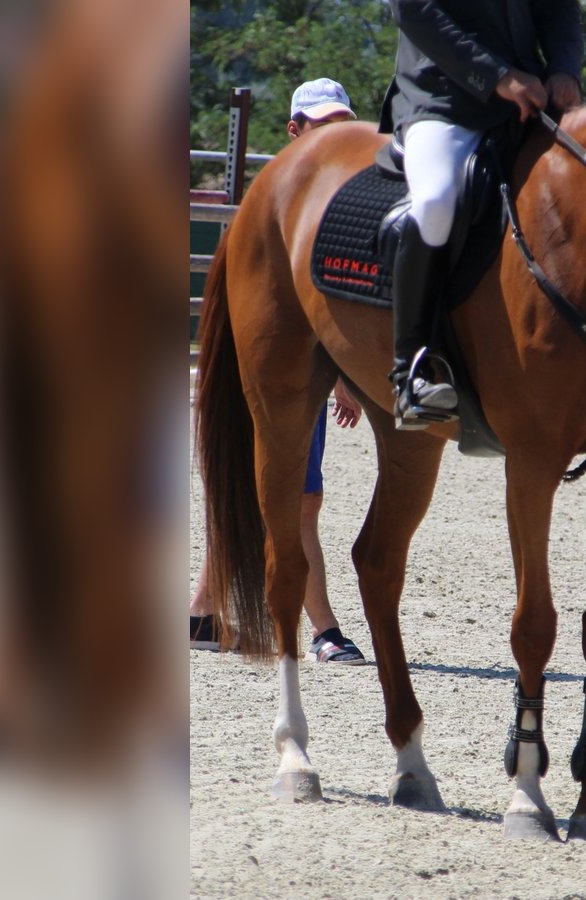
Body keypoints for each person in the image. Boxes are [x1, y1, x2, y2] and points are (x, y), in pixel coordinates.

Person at [190, 78, 368, 664]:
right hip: (278, 373)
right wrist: (343, 376)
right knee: (299, 502)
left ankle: (203, 613)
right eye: (321, 124)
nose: (334, 133)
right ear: (295, 130)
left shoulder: (311, 203)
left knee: (256, 491)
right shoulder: (293, 205)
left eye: (342, 121)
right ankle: (323, 630)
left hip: (286, 371)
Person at [379, 0, 584, 429]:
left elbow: (559, 7)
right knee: (435, 200)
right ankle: (411, 372)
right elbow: (414, 10)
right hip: (444, 97)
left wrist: (565, 67)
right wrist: (497, 77)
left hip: (531, 95)